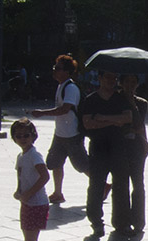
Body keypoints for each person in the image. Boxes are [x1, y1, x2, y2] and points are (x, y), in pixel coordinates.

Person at [30, 54, 88, 205]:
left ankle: (102, 185)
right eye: (55, 68)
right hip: (61, 133)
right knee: (55, 162)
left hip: (72, 133)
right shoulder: (61, 86)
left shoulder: (71, 88)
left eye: (58, 68)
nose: (55, 71)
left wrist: (42, 113)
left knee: (81, 164)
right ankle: (57, 192)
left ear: (68, 72)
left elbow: (64, 109)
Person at [81, 69, 132, 237]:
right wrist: (113, 120)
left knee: (121, 186)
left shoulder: (120, 98)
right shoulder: (90, 100)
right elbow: (88, 124)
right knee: (96, 185)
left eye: (114, 77)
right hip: (98, 147)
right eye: (108, 77)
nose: (112, 80)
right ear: (100, 78)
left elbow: (127, 118)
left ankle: (122, 223)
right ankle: (96, 221)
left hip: (119, 146)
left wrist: (102, 118)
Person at [10, 118, 50, 241]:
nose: (22, 138)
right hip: (27, 203)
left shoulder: (35, 155)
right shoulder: (21, 156)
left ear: (33, 135)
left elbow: (45, 176)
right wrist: (19, 191)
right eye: (18, 136)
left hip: (37, 203)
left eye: (26, 135)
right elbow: (21, 176)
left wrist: (29, 193)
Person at [120, 74, 148, 235]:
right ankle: (123, 220)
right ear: (121, 83)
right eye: (127, 81)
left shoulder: (142, 103)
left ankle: (139, 221)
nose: (130, 85)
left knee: (138, 183)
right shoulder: (116, 100)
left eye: (133, 82)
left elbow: (138, 125)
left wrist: (132, 104)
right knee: (122, 184)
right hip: (120, 147)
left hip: (137, 148)